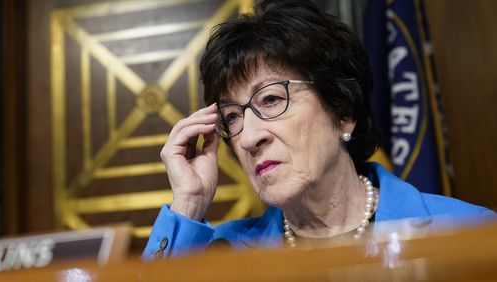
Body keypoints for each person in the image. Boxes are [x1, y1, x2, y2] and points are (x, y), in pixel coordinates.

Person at [143, 0, 495, 259]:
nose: (249, 138)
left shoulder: (472, 231)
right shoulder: (223, 254)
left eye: (270, 100)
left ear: (342, 111)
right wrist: (189, 203)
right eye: (233, 117)